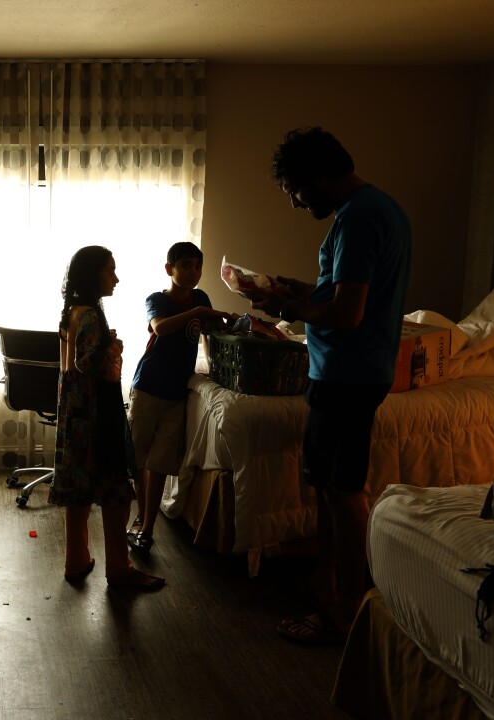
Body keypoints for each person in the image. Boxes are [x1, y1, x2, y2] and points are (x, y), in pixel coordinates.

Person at [247, 127, 411, 644]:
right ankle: (327, 581)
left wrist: (289, 308)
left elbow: (347, 312)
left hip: (349, 372)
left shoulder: (360, 217)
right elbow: (342, 292)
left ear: (318, 176)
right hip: (341, 370)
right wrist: (301, 291)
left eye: (295, 191)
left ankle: (346, 610)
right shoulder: (372, 210)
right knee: (325, 484)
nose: (296, 203)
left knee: (342, 493)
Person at [53, 245, 165, 591]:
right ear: (92, 275)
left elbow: (72, 364)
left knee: (79, 489)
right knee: (116, 488)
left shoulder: (72, 311)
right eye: (109, 271)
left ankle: (76, 561)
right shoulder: (89, 315)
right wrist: (112, 348)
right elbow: (90, 364)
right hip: (96, 413)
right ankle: (119, 568)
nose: (116, 278)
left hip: (74, 412)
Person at [126, 241, 235, 553]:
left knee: (160, 462)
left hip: (176, 394)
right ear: (169, 269)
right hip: (147, 388)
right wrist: (198, 312)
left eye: (197, 266)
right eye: (185, 265)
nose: (193, 272)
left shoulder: (201, 297)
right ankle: (138, 515)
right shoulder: (157, 300)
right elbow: (159, 329)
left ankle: (147, 528)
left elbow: (210, 333)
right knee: (138, 457)